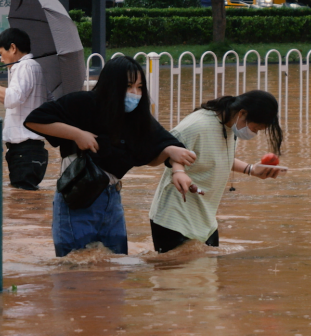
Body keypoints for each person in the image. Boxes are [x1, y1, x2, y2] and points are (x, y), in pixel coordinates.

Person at [24, 56, 196, 257]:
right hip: (77, 197)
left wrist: (176, 166)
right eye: (129, 86)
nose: (135, 94)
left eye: (139, 88)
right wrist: (77, 134)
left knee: (116, 269)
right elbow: (34, 120)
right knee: (74, 268)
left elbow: (159, 150)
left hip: (112, 201)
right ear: (113, 84)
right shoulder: (83, 103)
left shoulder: (138, 118)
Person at [148, 91, 284, 253]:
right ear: (242, 113)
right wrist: (179, 171)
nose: (254, 133)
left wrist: (252, 169)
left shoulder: (229, 125)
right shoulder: (196, 125)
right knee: (175, 274)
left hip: (205, 220)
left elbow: (215, 156)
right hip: (174, 218)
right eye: (255, 128)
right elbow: (165, 149)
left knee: (208, 275)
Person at [0, 28, 49, 190]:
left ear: (13, 48)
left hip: (25, 151)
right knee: (25, 201)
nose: (2, 59)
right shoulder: (34, 67)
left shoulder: (24, 66)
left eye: (1, 53)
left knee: (22, 203)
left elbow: (11, 99)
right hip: (31, 150)